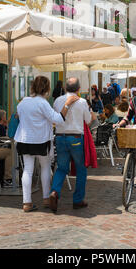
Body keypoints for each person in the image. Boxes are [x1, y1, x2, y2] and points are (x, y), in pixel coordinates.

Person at [14, 76, 78, 212]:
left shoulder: (23, 101)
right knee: (45, 168)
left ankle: (27, 202)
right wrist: (67, 104)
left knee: (27, 170)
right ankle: (46, 199)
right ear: (47, 89)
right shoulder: (42, 103)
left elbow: (17, 115)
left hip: (24, 139)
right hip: (41, 140)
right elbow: (58, 119)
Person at [49, 78, 92, 212]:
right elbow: (88, 121)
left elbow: (55, 117)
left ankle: (55, 192)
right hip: (76, 137)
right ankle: (78, 200)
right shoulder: (82, 101)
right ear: (78, 89)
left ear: (65, 88)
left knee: (61, 168)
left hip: (61, 137)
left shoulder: (57, 101)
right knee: (81, 169)